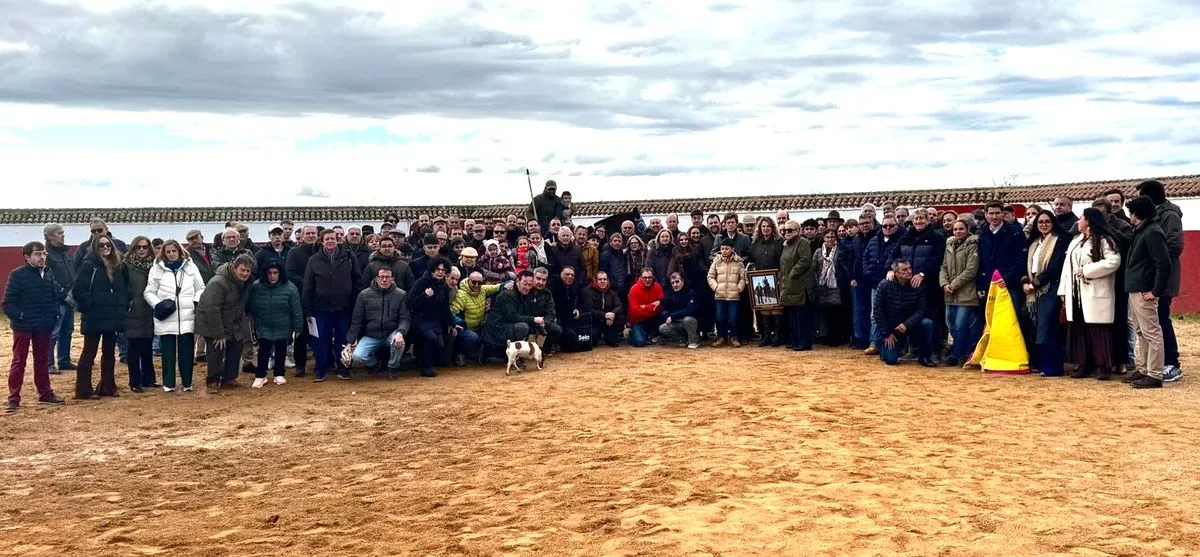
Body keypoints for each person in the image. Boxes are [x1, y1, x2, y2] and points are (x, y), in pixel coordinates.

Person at [4, 241, 67, 412]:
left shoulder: (48, 273)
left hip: (43, 324)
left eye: (44, 253)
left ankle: (45, 393)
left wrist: (54, 314)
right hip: (23, 326)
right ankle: (13, 398)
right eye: (38, 254)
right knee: (19, 361)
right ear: (27, 257)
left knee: (42, 360)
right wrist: (21, 317)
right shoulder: (17, 275)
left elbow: (53, 296)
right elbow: (8, 303)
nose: (42, 257)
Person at [1059, 208, 1121, 380]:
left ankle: (1103, 365)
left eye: (1081, 218)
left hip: (1095, 291)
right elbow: (1067, 267)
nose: (1078, 222)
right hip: (1076, 292)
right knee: (1080, 328)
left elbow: (1114, 261)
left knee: (1098, 329)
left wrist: (1087, 270)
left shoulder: (1104, 240)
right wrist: (1063, 290)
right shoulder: (1076, 241)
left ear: (1089, 221)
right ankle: (1083, 363)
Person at [72, 234, 131, 399]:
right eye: (101, 245)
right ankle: (83, 389)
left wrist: (123, 304)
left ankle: (107, 386)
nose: (105, 248)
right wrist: (91, 304)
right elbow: (78, 290)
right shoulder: (89, 265)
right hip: (94, 315)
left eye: (108, 245)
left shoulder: (118, 266)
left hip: (113, 316)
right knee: (89, 353)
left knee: (109, 353)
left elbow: (125, 288)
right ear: (95, 248)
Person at [1123, 196, 1172, 389]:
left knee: (1151, 332)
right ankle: (1144, 369)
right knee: (1141, 331)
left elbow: (1163, 263)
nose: (1129, 216)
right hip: (1137, 287)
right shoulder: (1143, 230)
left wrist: (1156, 290)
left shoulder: (1152, 232)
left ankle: (1154, 374)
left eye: (1131, 213)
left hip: (1145, 289)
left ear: (1136, 214)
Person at [144, 239, 206, 392]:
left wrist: (195, 301)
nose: (171, 254)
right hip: (166, 315)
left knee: (187, 352)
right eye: (168, 252)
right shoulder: (156, 269)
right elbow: (149, 292)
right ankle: (168, 383)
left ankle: (187, 382)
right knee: (167, 352)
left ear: (179, 251)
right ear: (164, 253)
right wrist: (158, 305)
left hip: (187, 314)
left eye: (174, 251)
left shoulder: (191, 266)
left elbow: (200, 287)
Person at [303, 229, 362, 381]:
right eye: (327, 239)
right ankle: (320, 370)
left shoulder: (348, 257)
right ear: (322, 241)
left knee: (343, 340)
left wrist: (355, 303)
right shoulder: (313, 260)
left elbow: (357, 280)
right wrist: (308, 310)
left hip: (344, 307)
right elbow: (308, 286)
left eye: (333, 239)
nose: (330, 241)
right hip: (321, 308)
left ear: (337, 240)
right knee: (321, 340)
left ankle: (343, 368)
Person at [195, 255, 254, 391]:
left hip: (234, 319)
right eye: (242, 270)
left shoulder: (246, 283)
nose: (245, 274)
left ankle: (229, 377)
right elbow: (211, 309)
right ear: (234, 268)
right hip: (212, 320)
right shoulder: (218, 282)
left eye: (248, 271)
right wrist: (219, 334)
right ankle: (213, 379)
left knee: (237, 346)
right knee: (216, 348)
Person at [1022, 209, 1069, 377]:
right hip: (1031, 290)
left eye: (1047, 221)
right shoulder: (1033, 242)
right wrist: (1025, 281)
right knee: (1032, 325)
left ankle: (1052, 367)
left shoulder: (1060, 240)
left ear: (1053, 223)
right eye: (1040, 222)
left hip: (1050, 287)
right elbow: (1025, 264)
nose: (1044, 224)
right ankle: (1037, 362)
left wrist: (1036, 283)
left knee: (1048, 327)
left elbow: (1055, 267)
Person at [247, 260, 303, 388]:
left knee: (281, 350)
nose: (272, 276)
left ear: (280, 273)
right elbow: (251, 306)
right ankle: (260, 375)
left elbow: (296, 309)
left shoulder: (290, 288)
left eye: (275, 273)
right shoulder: (256, 287)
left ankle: (279, 373)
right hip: (263, 325)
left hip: (283, 324)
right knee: (263, 351)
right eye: (269, 273)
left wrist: (298, 327)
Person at [348, 266, 411, 378]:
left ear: (392, 279)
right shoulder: (364, 295)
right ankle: (375, 364)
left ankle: (392, 368)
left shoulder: (401, 295)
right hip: (371, 335)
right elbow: (356, 320)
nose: (384, 280)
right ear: (377, 278)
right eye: (381, 277)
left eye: (387, 277)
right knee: (357, 356)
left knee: (399, 342)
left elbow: (405, 318)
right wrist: (349, 342)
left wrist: (400, 332)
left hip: (391, 332)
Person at [873, 259, 936, 367]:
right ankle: (889, 349)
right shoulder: (885, 285)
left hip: (910, 326)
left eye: (910, 268)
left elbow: (922, 310)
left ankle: (925, 356)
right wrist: (886, 333)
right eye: (904, 270)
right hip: (892, 329)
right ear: (896, 273)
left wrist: (907, 324)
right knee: (890, 360)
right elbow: (877, 311)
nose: (909, 271)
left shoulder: (917, 285)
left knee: (927, 323)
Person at [939, 218, 980, 367]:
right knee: (951, 324)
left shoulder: (973, 245)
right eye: (955, 229)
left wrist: (954, 284)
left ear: (967, 229)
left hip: (966, 292)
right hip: (950, 293)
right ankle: (960, 352)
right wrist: (944, 283)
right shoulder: (949, 245)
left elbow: (971, 270)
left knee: (961, 325)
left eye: (961, 229)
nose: (958, 232)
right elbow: (943, 267)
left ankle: (957, 355)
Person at [408, 258, 455, 377]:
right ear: (432, 269)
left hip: (434, 321)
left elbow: (445, 307)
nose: (440, 272)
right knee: (431, 339)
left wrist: (452, 323)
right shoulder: (421, 283)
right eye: (438, 269)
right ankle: (426, 368)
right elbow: (410, 303)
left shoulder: (443, 286)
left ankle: (423, 362)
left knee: (440, 344)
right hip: (420, 319)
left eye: (443, 270)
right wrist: (425, 295)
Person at [123, 236, 158, 392]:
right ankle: (135, 381)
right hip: (133, 310)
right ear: (133, 248)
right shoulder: (126, 266)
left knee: (147, 346)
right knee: (133, 348)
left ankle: (148, 379)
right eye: (138, 247)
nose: (142, 250)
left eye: (145, 247)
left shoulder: (155, 265)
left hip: (149, 309)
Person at [778, 221, 815, 351]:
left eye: (790, 230)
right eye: (784, 230)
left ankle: (804, 342)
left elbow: (804, 260)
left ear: (798, 231)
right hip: (789, 285)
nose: (786, 233)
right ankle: (795, 340)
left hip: (800, 285)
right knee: (792, 315)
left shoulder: (802, 243)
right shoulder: (786, 244)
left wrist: (793, 273)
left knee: (801, 316)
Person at [748, 217, 784, 346]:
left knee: (776, 309)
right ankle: (766, 336)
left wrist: (780, 276)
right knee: (764, 309)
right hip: (760, 280)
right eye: (763, 226)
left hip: (776, 280)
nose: (765, 228)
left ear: (772, 228)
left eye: (768, 226)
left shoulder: (779, 242)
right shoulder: (755, 243)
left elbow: (782, 261)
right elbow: (751, 260)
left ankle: (777, 336)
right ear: (760, 228)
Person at [708, 238, 747, 348]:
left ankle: (733, 338)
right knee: (720, 317)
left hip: (734, 296)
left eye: (727, 248)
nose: (724, 251)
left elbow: (742, 278)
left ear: (732, 249)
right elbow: (710, 276)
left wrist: (739, 288)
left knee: (733, 318)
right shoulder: (716, 262)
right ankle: (721, 337)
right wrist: (716, 287)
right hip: (719, 295)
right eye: (722, 249)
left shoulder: (739, 262)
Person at [581, 271, 625, 347]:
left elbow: (620, 306)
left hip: (608, 322)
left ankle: (609, 336)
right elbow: (589, 309)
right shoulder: (587, 291)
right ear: (595, 280)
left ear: (607, 281)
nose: (602, 281)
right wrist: (604, 315)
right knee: (592, 341)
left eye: (604, 279)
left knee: (622, 317)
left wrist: (612, 314)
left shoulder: (612, 293)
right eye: (600, 279)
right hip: (594, 321)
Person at [658, 272, 700, 349]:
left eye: (677, 282)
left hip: (691, 321)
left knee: (687, 320)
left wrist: (672, 316)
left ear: (682, 281)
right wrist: (660, 302)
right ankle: (683, 339)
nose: (675, 285)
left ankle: (694, 340)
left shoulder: (691, 292)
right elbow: (667, 307)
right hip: (677, 322)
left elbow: (690, 310)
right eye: (672, 283)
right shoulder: (671, 294)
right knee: (663, 328)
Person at [627, 267, 665, 347]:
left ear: (653, 277)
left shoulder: (657, 287)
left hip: (653, 319)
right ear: (640, 278)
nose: (647, 280)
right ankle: (632, 334)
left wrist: (644, 307)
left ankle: (654, 335)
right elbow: (635, 311)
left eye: (649, 277)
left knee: (664, 314)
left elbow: (661, 305)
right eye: (645, 278)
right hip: (638, 320)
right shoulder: (634, 289)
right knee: (639, 342)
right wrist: (652, 307)